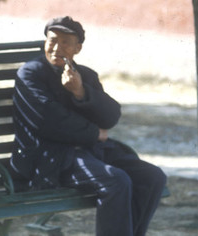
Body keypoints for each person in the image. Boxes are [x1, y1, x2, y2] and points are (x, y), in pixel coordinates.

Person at [10, 16, 166, 236]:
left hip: (89, 154)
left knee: (152, 177)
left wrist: (80, 92)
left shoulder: (86, 75)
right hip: (50, 159)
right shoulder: (30, 74)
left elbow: (111, 117)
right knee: (115, 181)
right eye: (52, 40)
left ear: (78, 48)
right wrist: (94, 133)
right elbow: (47, 120)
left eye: (65, 42)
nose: (56, 48)